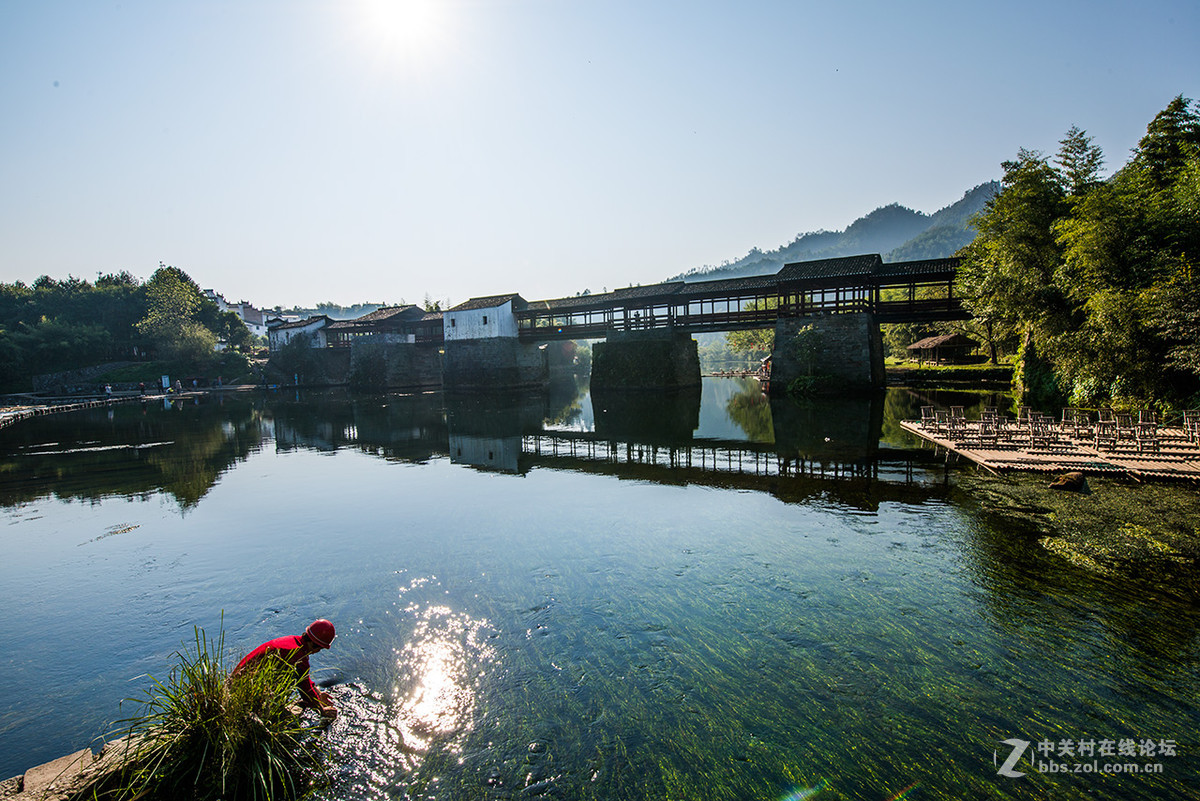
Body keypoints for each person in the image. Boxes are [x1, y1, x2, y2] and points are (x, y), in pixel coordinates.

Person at [233, 619, 338, 718]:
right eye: (320, 649)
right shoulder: (297, 655)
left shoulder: (294, 642)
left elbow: (304, 678)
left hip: (238, 683)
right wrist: (321, 710)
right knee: (292, 683)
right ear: (315, 645)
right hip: (242, 694)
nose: (317, 652)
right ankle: (265, 711)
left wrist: (318, 694)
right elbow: (304, 688)